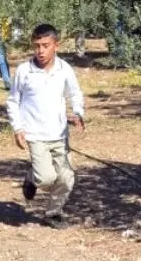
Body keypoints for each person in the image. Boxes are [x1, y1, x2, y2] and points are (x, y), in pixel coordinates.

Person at [6, 23, 85, 227]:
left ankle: (53, 213)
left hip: (59, 134)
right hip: (35, 134)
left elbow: (74, 93)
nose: (40, 51)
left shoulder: (64, 69)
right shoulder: (24, 71)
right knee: (46, 178)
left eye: (45, 45)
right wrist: (18, 128)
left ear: (55, 46)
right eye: (37, 46)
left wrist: (78, 112)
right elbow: (13, 101)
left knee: (67, 179)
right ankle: (32, 177)